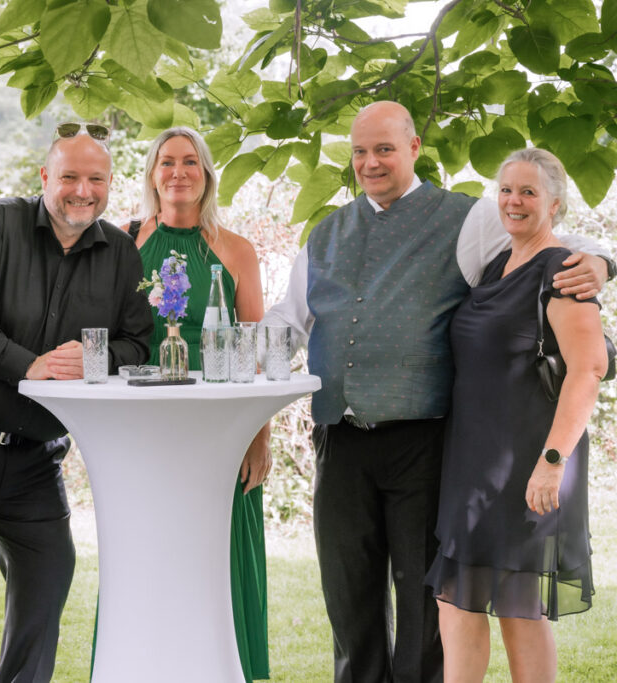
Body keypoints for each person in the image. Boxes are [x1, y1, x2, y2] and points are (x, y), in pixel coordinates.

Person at [262, 100, 611, 682]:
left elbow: (543, 236)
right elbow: (290, 321)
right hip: (341, 439)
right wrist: (241, 356)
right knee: (350, 600)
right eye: (360, 152)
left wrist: (601, 261)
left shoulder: (466, 219)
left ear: (414, 148)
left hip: (425, 442)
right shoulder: (325, 233)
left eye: (384, 149)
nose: (371, 163)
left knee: (430, 607)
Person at [0, 123, 153, 682]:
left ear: (110, 184)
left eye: (96, 180)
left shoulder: (120, 253)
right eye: (69, 177)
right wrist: (28, 364)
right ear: (45, 176)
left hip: (34, 455)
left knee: (49, 570)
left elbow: (138, 343)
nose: (82, 191)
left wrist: (93, 358)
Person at [427, 148, 605, 682]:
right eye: (506, 190)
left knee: (518, 611)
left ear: (554, 203)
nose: (514, 201)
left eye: (528, 192)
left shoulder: (563, 270)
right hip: (473, 464)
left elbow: (589, 369)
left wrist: (552, 462)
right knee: (456, 603)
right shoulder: (494, 264)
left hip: (529, 464)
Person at [123, 126, 271, 681]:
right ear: (152, 174)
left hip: (222, 430)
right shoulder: (124, 243)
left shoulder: (236, 250)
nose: (178, 172)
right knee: (149, 552)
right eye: (167, 162)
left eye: (190, 162)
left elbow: (255, 354)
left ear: (207, 175)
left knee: (220, 554)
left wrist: (258, 437)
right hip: (146, 428)